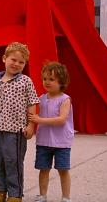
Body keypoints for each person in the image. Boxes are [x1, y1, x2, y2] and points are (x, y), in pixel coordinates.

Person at [0, 42, 40, 202]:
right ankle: (0, 190)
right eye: (13, 60)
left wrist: (31, 125)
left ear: (25, 64)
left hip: (16, 131)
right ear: (4, 58)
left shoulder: (25, 81)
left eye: (21, 62)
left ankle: (15, 194)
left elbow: (32, 103)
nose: (16, 64)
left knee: (13, 162)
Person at [28, 61, 74, 202]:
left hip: (61, 142)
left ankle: (66, 197)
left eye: (51, 79)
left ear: (61, 81)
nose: (47, 82)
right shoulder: (41, 98)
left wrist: (39, 120)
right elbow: (31, 112)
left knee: (63, 170)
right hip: (43, 141)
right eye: (45, 79)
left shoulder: (65, 99)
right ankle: (42, 195)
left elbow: (61, 120)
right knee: (43, 169)